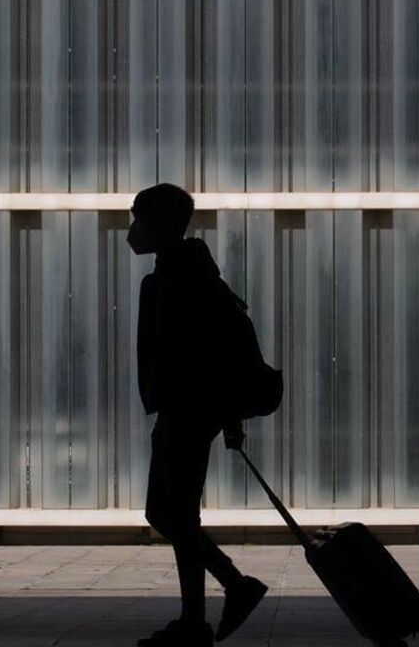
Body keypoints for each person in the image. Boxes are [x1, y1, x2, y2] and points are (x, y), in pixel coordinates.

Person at [129, 183, 270, 647]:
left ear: (164, 224)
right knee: (175, 514)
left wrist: (219, 415)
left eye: (139, 219)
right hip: (189, 410)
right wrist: (229, 418)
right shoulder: (190, 274)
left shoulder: (181, 280)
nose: (133, 230)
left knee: (170, 513)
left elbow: (207, 356)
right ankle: (199, 616)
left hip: (185, 411)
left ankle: (225, 592)